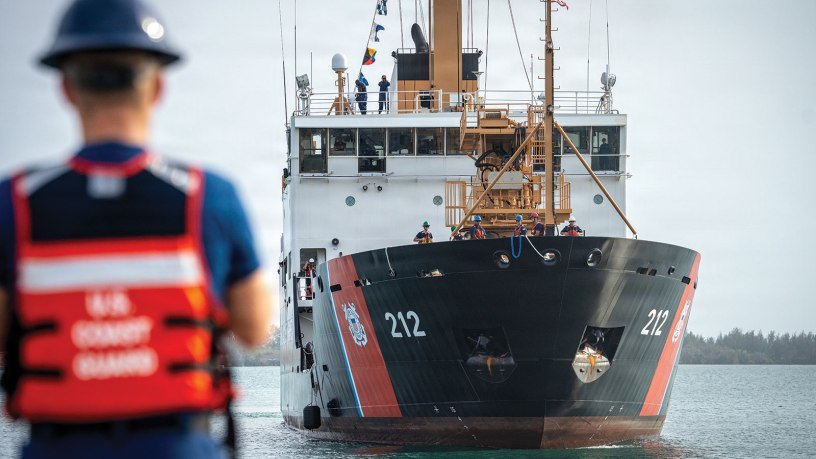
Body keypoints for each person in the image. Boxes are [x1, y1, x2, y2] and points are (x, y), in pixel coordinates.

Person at [0, 1, 272, 457]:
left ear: (65, 88)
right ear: (157, 87)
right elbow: (254, 327)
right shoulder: (211, 198)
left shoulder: (14, 203)